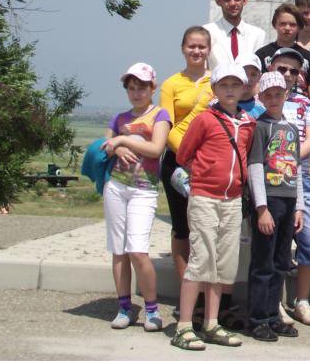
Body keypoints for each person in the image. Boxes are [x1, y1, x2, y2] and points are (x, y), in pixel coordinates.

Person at [172, 63, 256, 351]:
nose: (230, 90)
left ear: (243, 88)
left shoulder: (247, 123)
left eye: (235, 85)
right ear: (215, 88)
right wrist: (206, 174)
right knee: (201, 261)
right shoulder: (205, 119)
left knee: (223, 264)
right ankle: (184, 326)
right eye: (224, 85)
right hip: (205, 197)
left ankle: (211, 322)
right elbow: (184, 154)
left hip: (232, 200)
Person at [103, 63, 171, 332]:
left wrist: (122, 141)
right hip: (117, 187)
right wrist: (115, 148)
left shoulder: (160, 114)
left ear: (152, 87)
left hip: (144, 189)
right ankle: (124, 306)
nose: (137, 92)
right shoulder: (119, 118)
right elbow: (104, 146)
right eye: (132, 88)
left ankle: (152, 310)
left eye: (142, 87)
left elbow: (155, 149)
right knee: (119, 250)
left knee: (138, 251)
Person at [246, 72, 306, 342]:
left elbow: (297, 168)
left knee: (281, 262)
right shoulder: (260, 127)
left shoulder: (291, 128)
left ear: (285, 95)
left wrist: (299, 207)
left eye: (277, 94)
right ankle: (258, 318)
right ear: (261, 97)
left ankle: (273, 315)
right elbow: (255, 166)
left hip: (288, 199)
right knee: (263, 263)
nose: (273, 99)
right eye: (267, 95)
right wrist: (261, 208)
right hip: (268, 201)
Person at [266, 47, 310, 326]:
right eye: (281, 69)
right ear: (270, 68)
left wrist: (288, 155)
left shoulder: (302, 103)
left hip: (298, 175)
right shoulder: (260, 99)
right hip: (270, 178)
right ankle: (274, 302)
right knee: (276, 242)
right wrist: (278, 159)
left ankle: (302, 300)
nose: (287, 74)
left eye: (293, 70)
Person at [160, 27, 215, 286]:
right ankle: (186, 289)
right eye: (191, 46)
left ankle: (204, 288)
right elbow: (166, 125)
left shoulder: (215, 81)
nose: (196, 51)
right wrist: (187, 156)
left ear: (209, 49)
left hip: (208, 163)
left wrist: (201, 159)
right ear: (183, 48)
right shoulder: (171, 83)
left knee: (204, 227)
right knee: (182, 226)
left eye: (201, 47)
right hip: (178, 162)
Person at [255, 3, 310, 106]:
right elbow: (255, 87)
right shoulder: (261, 54)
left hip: (300, 112)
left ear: (299, 27)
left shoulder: (309, 57)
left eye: (292, 25)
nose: (287, 28)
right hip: (268, 110)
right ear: (275, 25)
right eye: (283, 24)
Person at [204, 0, 266, 69]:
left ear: (244, 1)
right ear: (218, 1)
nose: (233, 3)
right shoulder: (207, 32)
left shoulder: (258, 35)